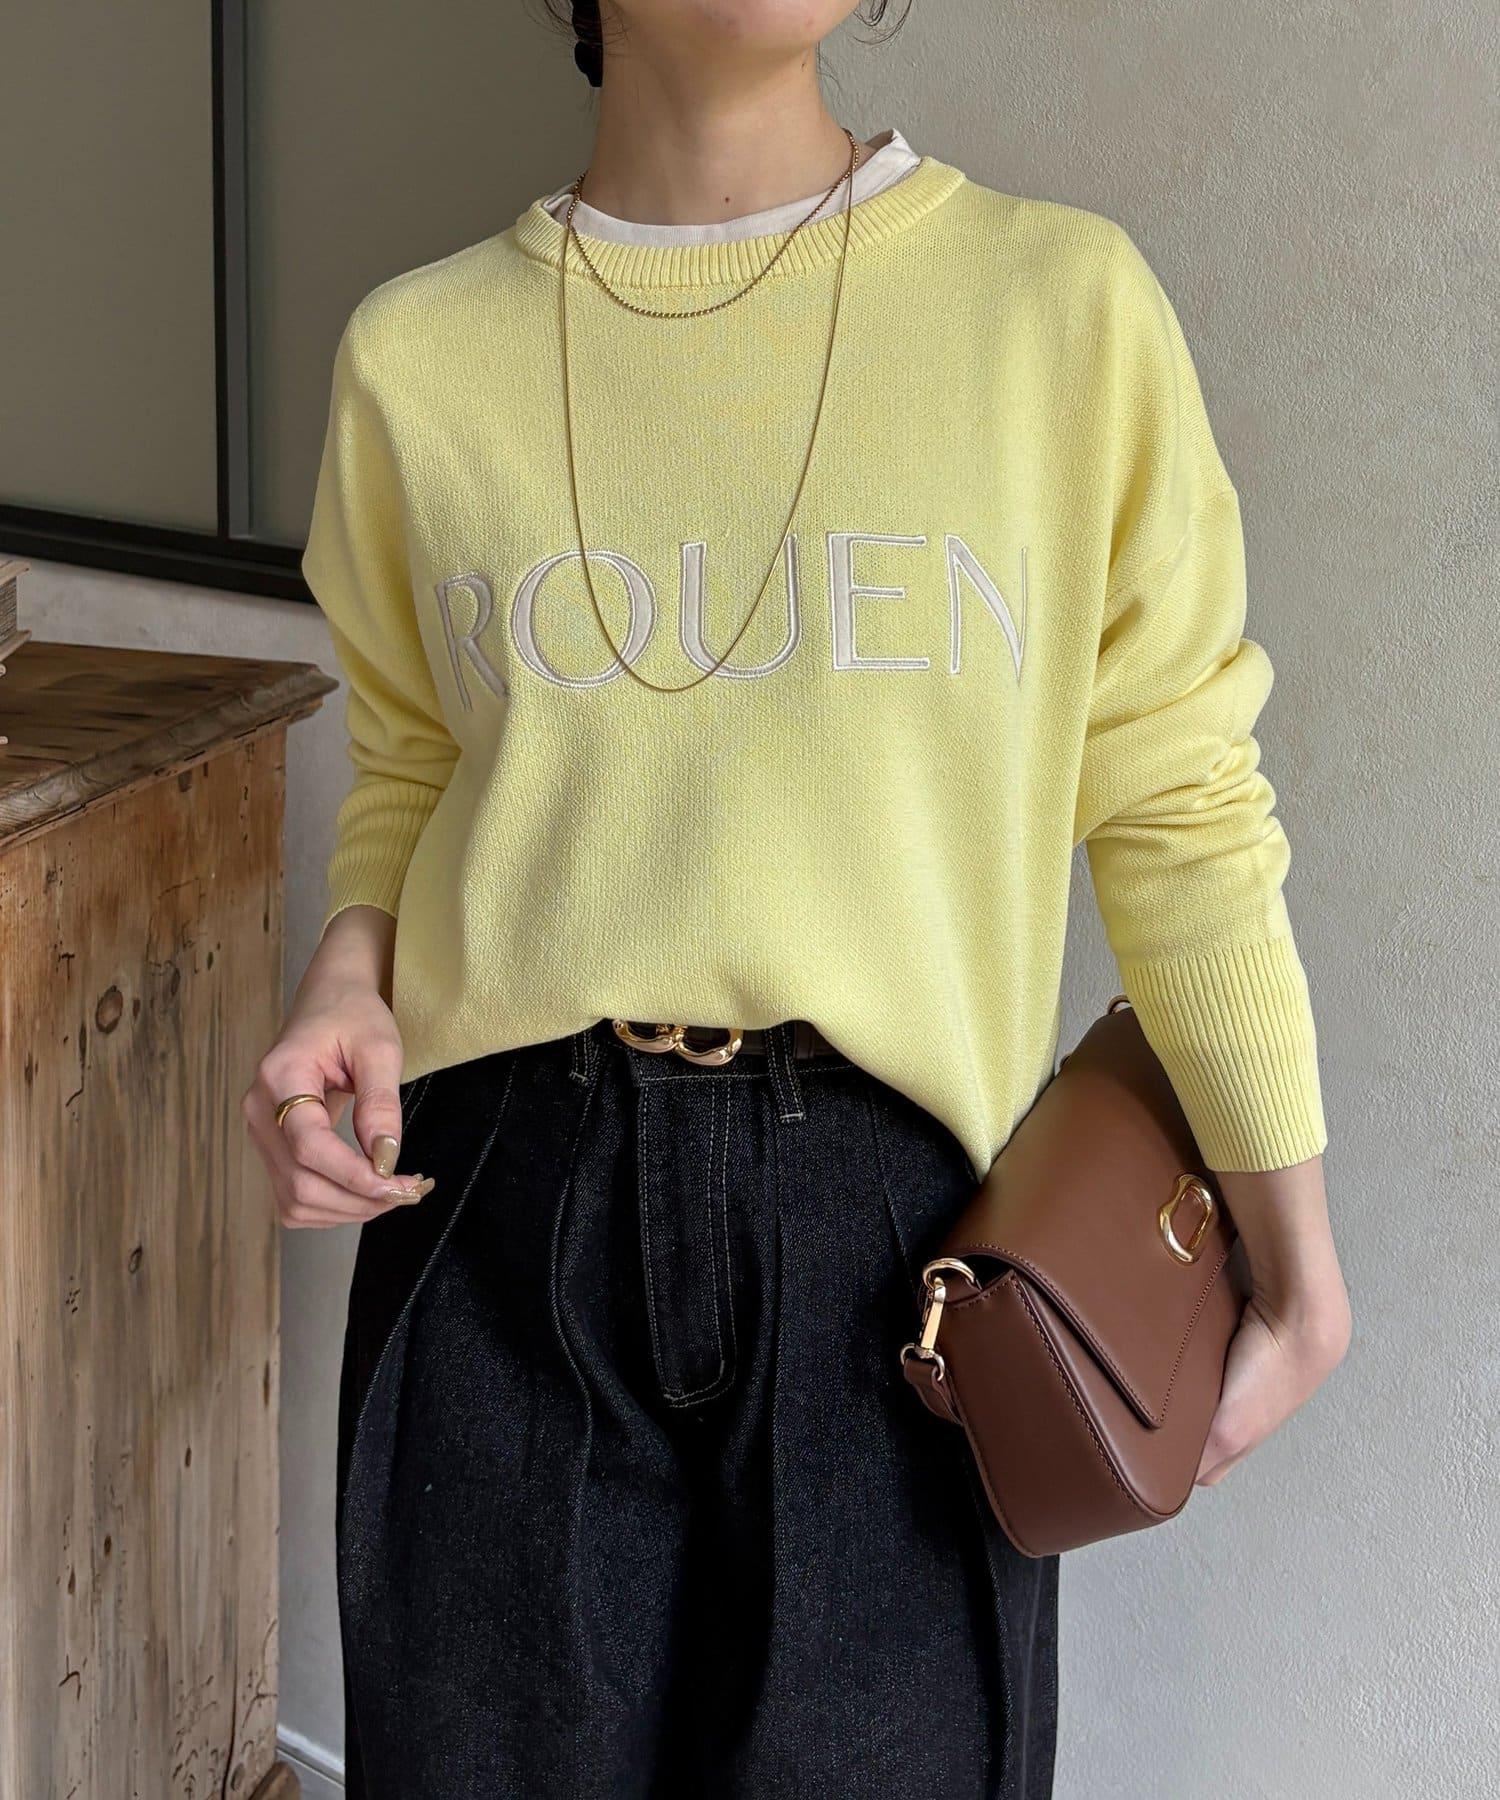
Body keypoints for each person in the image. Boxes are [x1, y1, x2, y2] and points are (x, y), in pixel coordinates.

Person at [242, 3, 1352, 1794]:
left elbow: (1177, 798)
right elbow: (416, 763)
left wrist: (1295, 1252)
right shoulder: (418, 356)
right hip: (500, 1213)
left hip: (899, 1255)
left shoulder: (1057, 311)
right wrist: (347, 974)